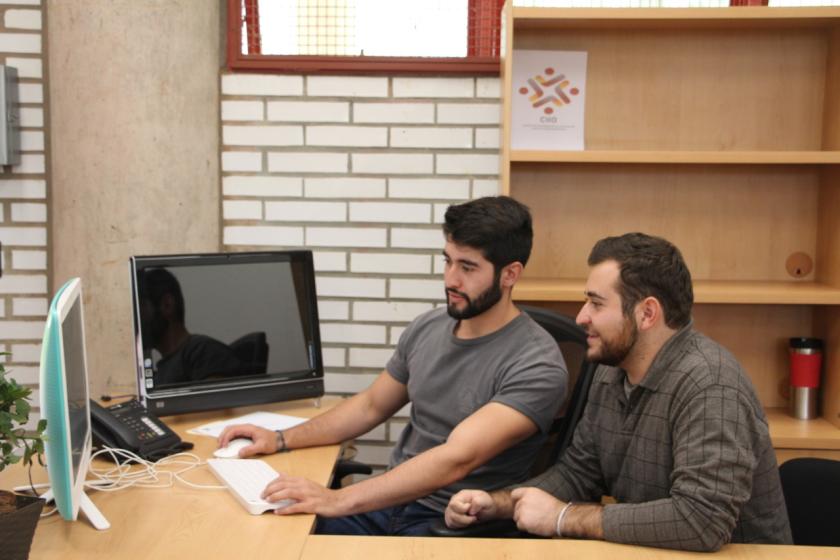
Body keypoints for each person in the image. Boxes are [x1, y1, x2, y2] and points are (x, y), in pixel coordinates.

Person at [218, 196, 568, 536]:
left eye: (467, 267)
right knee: (264, 534)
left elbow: (455, 459)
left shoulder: (537, 364)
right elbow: (371, 405)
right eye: (447, 261)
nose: (450, 280)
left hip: (453, 525)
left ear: (510, 274)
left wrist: (337, 499)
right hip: (387, 505)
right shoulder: (428, 326)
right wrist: (280, 439)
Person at [445, 232, 792, 551]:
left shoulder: (711, 386)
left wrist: (564, 518)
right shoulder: (610, 372)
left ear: (647, 313)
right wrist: (500, 504)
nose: (581, 318)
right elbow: (578, 473)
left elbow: (701, 522)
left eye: (596, 304)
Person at [138, 267, 242, 385]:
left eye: (142, 307)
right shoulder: (162, 371)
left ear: (167, 305)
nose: (138, 319)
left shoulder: (203, 352)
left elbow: (214, 400)